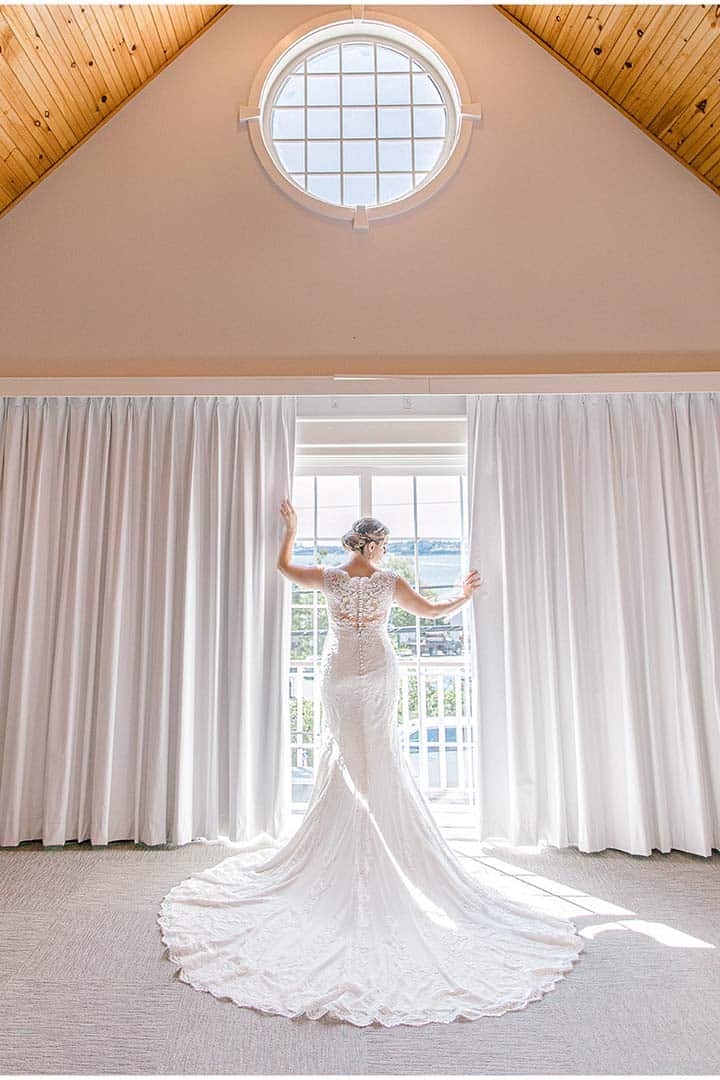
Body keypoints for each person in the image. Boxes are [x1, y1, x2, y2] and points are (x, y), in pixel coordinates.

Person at [159, 500, 584, 1027]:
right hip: (379, 670)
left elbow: (284, 569)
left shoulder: (333, 579)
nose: (386, 551)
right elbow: (430, 612)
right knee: (379, 753)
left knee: (349, 755)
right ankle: (381, 830)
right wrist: (463, 596)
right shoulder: (387, 583)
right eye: (385, 544)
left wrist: (290, 531)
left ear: (351, 545)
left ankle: (357, 824)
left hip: (340, 672)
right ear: (377, 546)